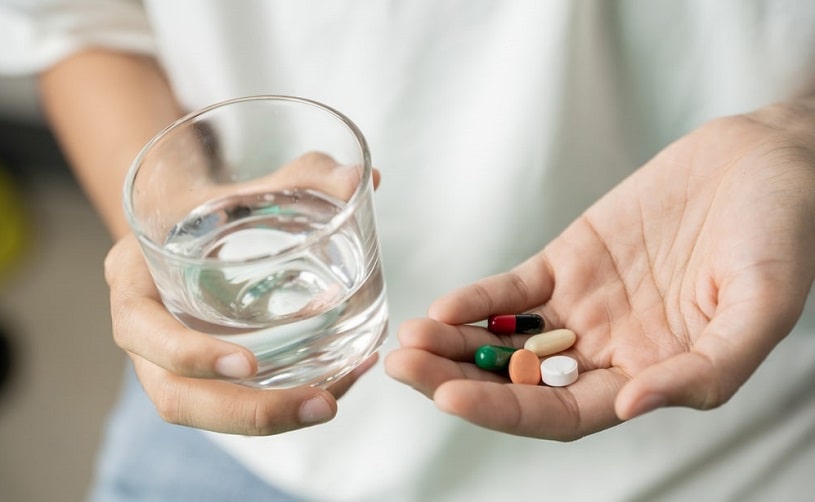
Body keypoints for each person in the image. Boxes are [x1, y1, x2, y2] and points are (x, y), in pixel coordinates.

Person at [2, 1, 815, 500]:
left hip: (716, 447)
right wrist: (180, 219)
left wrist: (797, 139)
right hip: (235, 437)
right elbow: (77, 21)